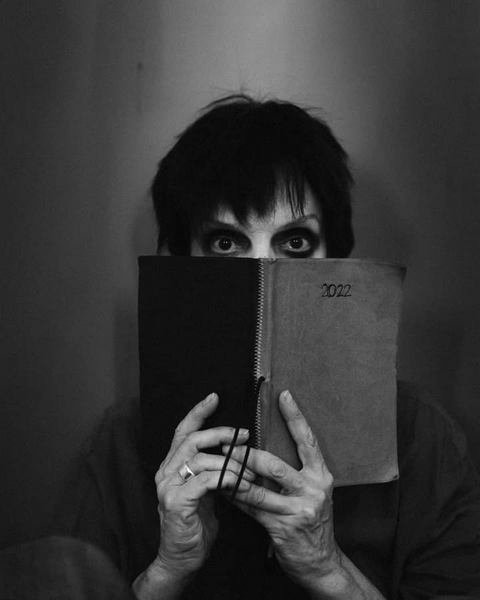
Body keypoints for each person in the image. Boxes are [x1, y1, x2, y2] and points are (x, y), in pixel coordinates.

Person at [53, 95, 480, 600]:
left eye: (295, 242)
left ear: (336, 260)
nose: (261, 269)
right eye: (225, 243)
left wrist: (328, 568)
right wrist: (168, 569)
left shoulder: (420, 438)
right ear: (180, 262)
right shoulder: (121, 445)